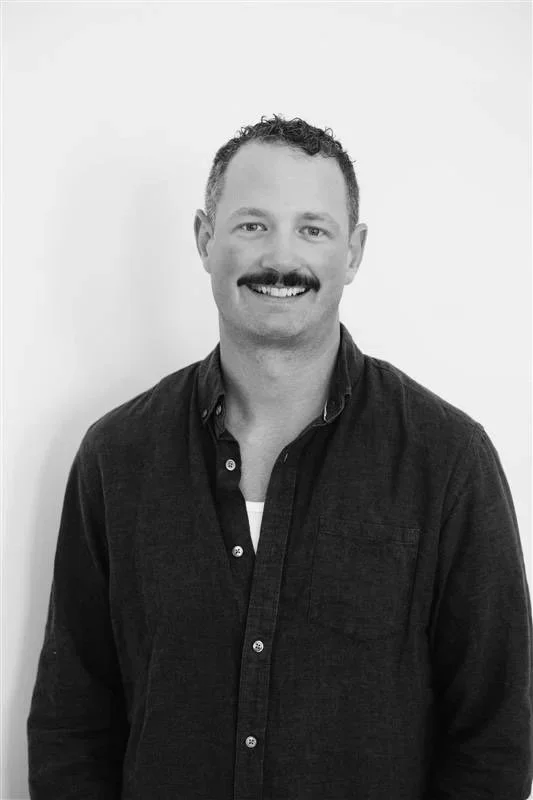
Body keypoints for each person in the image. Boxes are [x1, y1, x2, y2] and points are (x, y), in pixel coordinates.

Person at [27, 114, 533, 799]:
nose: (280, 257)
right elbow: (73, 721)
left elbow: (494, 736)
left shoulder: (447, 461)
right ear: (205, 240)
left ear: (352, 252)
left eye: (312, 229)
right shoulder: (116, 458)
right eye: (251, 224)